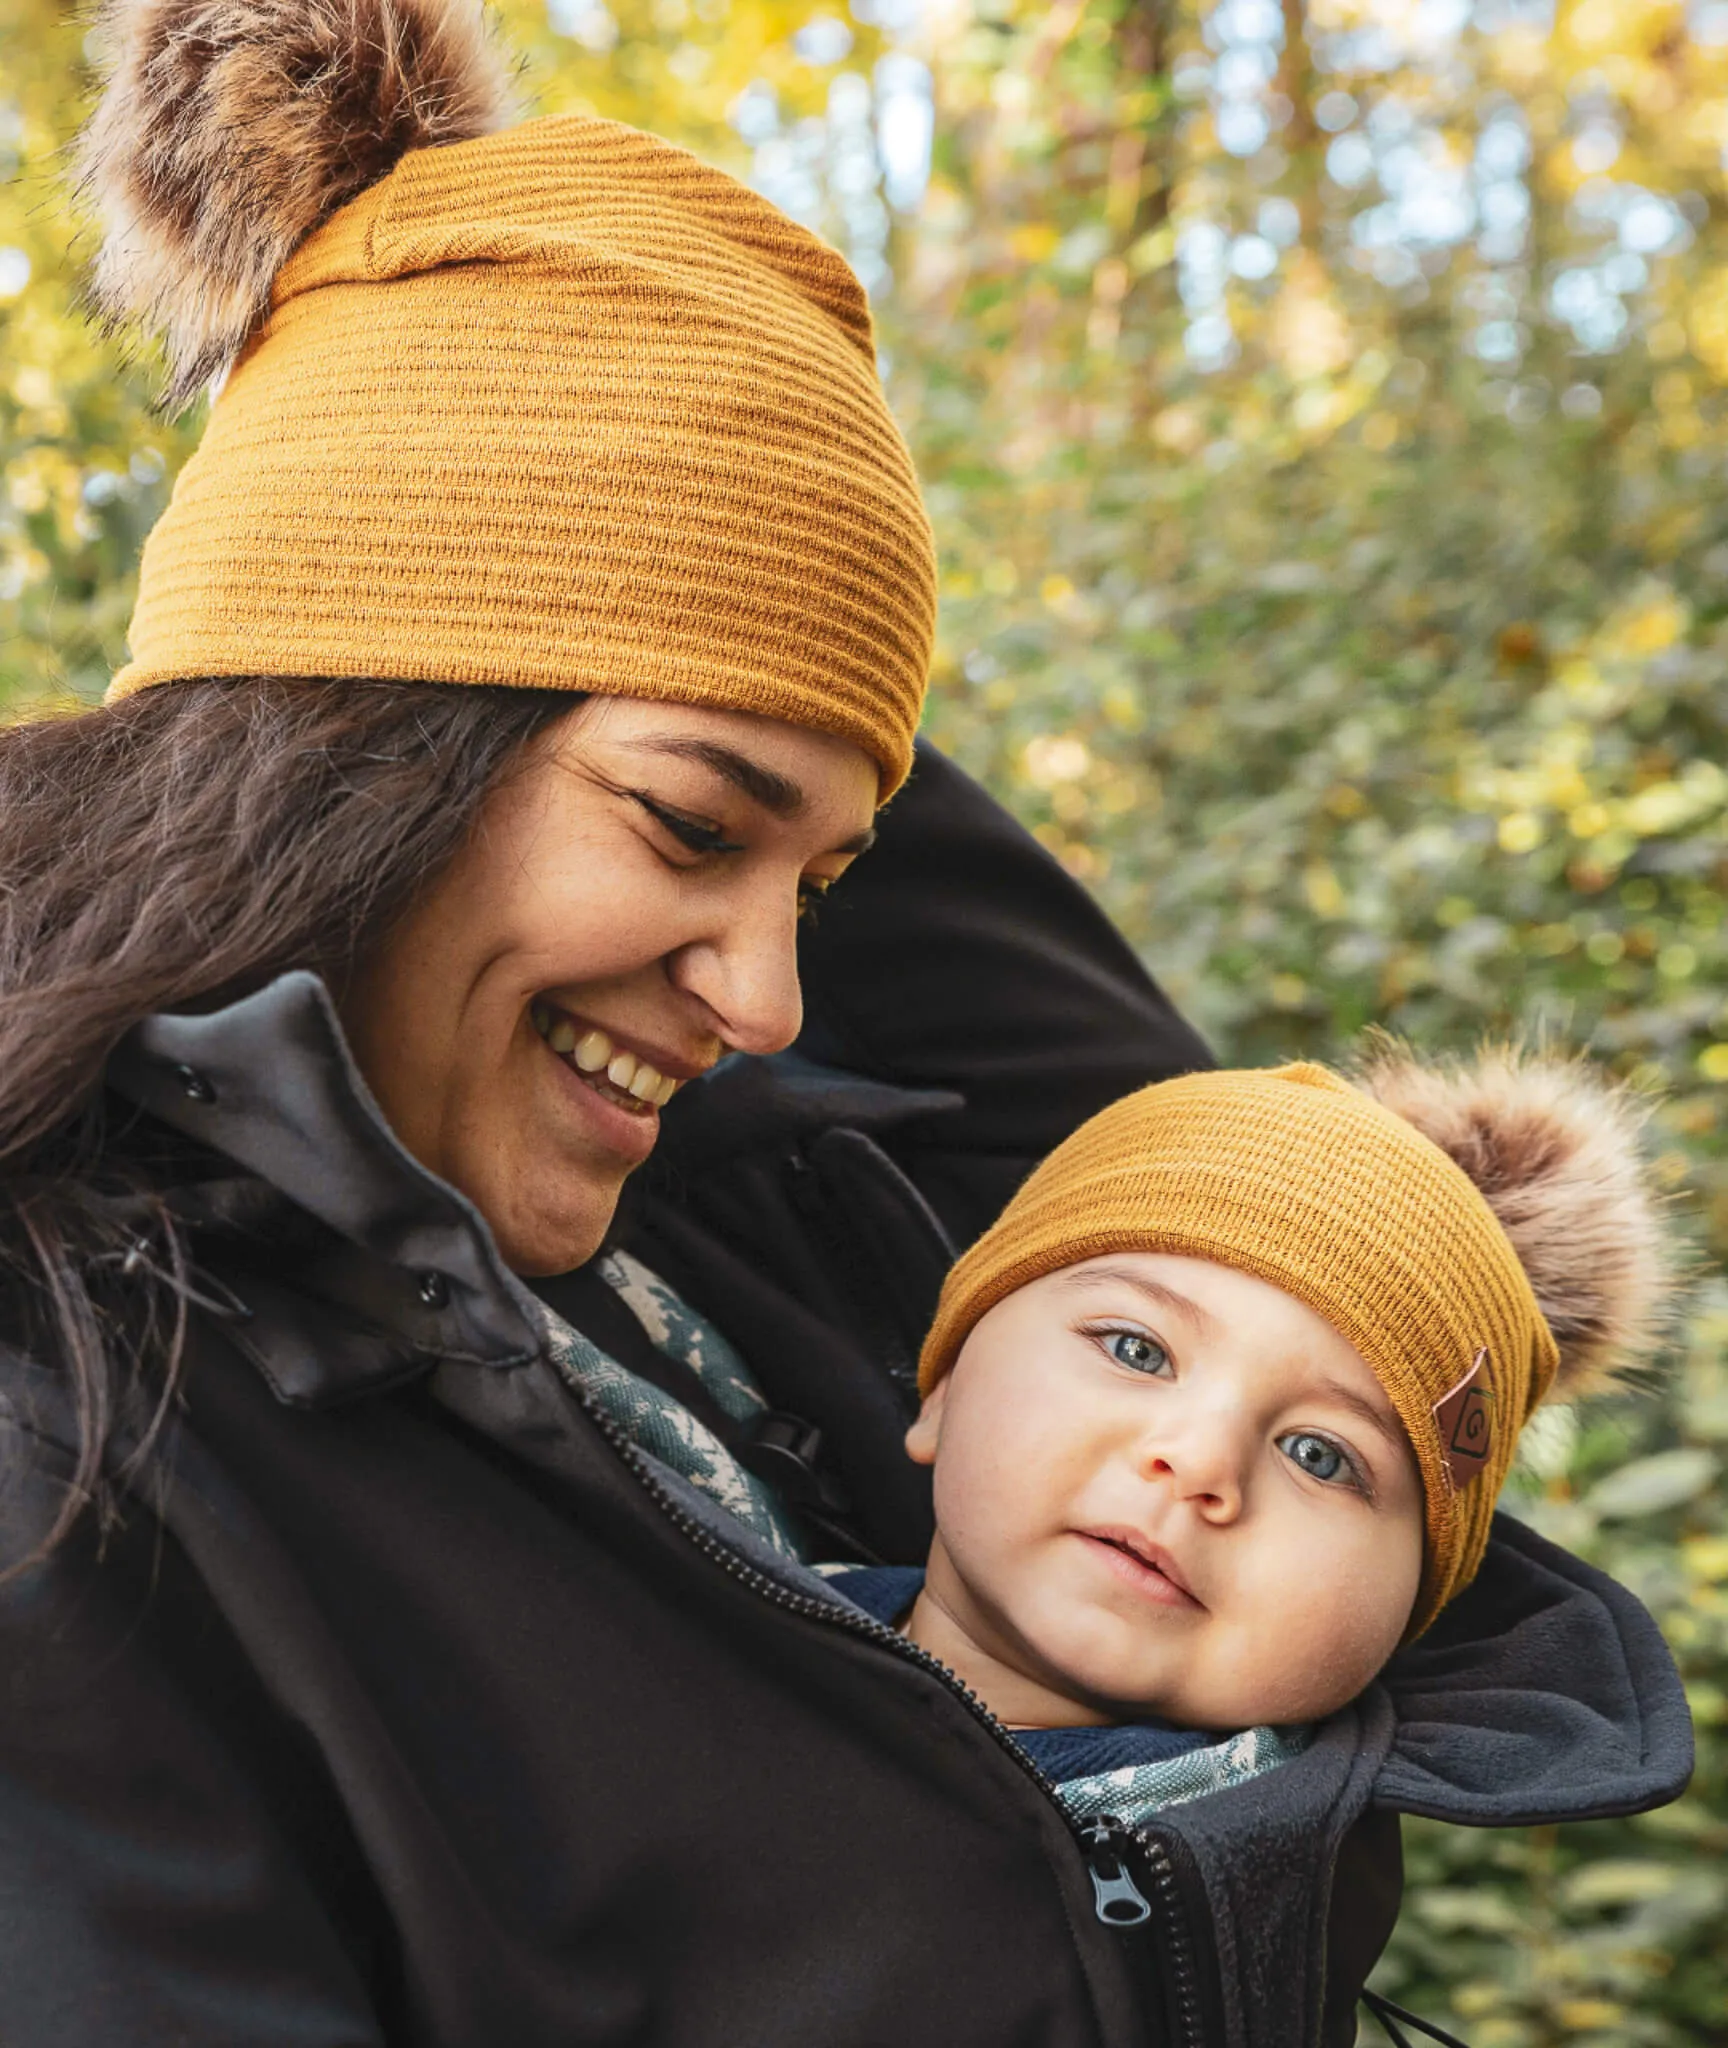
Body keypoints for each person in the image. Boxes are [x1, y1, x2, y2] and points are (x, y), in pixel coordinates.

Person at [0, 4, 1689, 2047]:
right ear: (361, 746)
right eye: (694, 825)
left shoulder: (682, 1218)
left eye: (821, 881)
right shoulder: (79, 1444)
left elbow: (1278, 1251)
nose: (773, 996)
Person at [815, 1050, 1678, 1829]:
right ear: (947, 1386)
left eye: (1320, 1455)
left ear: (1411, 1608)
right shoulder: (694, 1608)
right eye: (1136, 1349)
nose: (1199, 1462)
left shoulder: (1238, 1923)